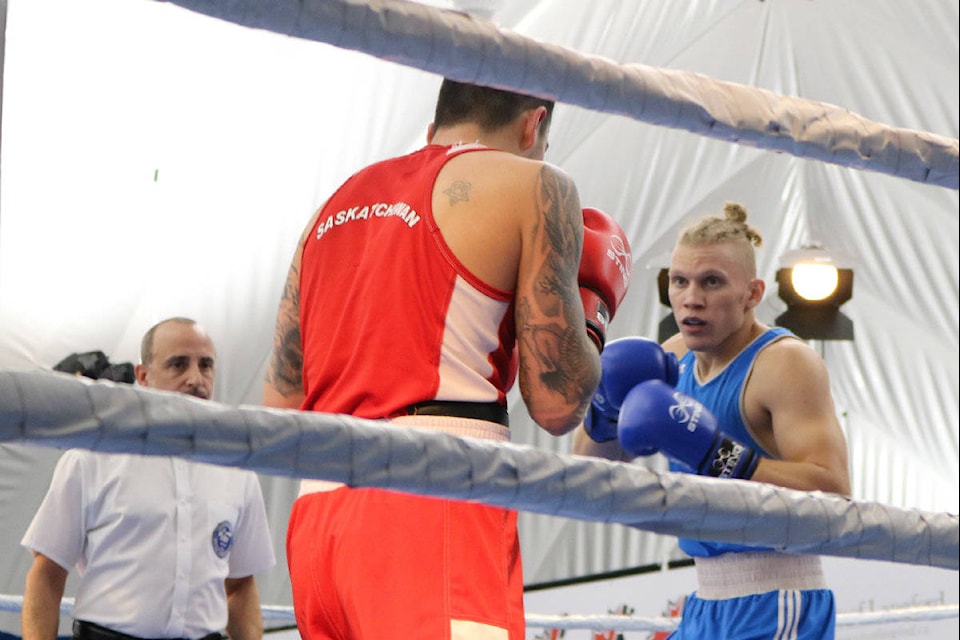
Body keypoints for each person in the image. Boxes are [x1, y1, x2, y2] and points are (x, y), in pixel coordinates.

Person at [262, 78, 632, 639]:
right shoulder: (534, 184)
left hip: (318, 519)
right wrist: (593, 315)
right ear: (534, 124)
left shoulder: (334, 205)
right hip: (432, 503)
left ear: (435, 125)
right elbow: (558, 403)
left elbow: (281, 401)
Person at [573, 202, 851, 639]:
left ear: (753, 294)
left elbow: (833, 493)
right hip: (705, 603)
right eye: (679, 281)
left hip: (778, 599)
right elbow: (589, 473)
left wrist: (721, 457)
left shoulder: (785, 364)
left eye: (712, 282)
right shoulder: (673, 357)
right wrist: (604, 412)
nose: (691, 298)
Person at [21, 317, 276, 640]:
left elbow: (240, 586)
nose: (195, 378)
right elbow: (46, 576)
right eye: (178, 365)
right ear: (143, 375)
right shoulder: (91, 460)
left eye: (206, 365)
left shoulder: (237, 471)